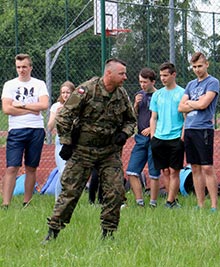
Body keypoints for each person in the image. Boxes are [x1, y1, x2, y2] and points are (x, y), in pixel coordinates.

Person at [43, 58, 136, 242]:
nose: (125, 77)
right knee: (70, 192)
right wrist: (67, 142)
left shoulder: (121, 94)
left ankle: (108, 235)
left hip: (109, 152)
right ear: (109, 73)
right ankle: (52, 233)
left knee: (116, 192)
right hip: (82, 151)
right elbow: (64, 116)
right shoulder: (86, 90)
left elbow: (130, 120)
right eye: (122, 73)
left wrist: (124, 134)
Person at [1, 53, 49, 208]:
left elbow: (43, 105)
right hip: (16, 130)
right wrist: (30, 109)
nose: (21, 70)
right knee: (12, 167)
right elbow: (7, 108)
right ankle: (6, 203)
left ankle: (26, 202)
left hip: (36, 129)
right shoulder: (9, 85)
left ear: (30, 67)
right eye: (18, 67)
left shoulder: (39, 84)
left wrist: (20, 105)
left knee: (31, 167)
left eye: (24, 67)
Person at [178, 52, 220, 211]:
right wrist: (195, 103)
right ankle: (200, 203)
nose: (197, 69)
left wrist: (191, 103)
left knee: (207, 167)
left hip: (203, 129)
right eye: (194, 67)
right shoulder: (190, 84)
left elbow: (204, 104)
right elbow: (180, 107)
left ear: (206, 64)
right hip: (189, 129)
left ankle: (214, 205)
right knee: (194, 167)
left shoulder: (212, 82)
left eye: (200, 66)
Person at [150, 62, 185, 209]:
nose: (163, 78)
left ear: (173, 75)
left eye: (165, 75)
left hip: (175, 138)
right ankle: (174, 199)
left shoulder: (182, 93)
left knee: (174, 171)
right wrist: (153, 137)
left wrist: (182, 137)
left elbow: (186, 118)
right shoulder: (157, 94)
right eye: (161, 76)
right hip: (159, 138)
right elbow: (153, 117)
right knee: (164, 171)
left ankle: (169, 202)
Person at [126, 68, 161, 208]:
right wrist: (135, 104)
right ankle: (139, 202)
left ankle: (153, 203)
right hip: (140, 138)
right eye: (140, 82)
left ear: (152, 82)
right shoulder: (139, 95)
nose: (142, 85)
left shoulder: (160, 95)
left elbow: (164, 117)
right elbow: (133, 117)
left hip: (154, 138)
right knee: (132, 171)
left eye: (145, 82)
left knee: (154, 173)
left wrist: (152, 128)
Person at [47, 81, 75, 201]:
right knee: (63, 171)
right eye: (63, 92)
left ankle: (71, 198)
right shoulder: (56, 106)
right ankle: (58, 199)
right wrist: (57, 114)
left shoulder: (77, 105)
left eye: (68, 92)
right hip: (61, 140)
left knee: (74, 172)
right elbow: (50, 126)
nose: (65, 95)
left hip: (75, 140)